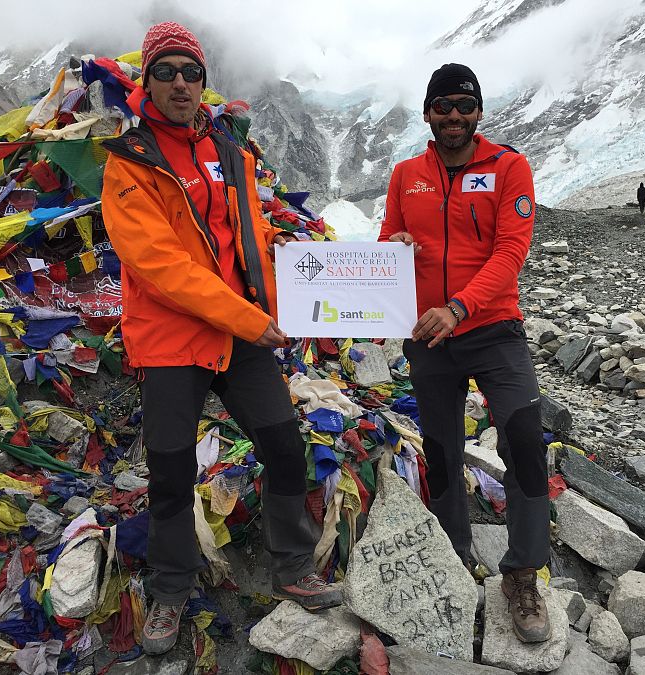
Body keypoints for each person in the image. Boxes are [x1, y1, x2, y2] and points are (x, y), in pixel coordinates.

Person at [101, 21, 340, 656]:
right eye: (167, 71)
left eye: (191, 72)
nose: (180, 83)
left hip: (242, 329)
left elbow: (247, 241)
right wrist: (250, 318)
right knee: (172, 469)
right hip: (173, 337)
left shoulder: (227, 149)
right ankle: (171, 589)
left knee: (285, 447)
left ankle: (293, 566)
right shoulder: (130, 162)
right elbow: (161, 268)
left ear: (205, 81)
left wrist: (304, 281)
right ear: (146, 80)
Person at [379, 63, 551, 643]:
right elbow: (387, 246)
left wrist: (458, 307)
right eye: (441, 106)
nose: (453, 116)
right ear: (427, 114)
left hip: (493, 327)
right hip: (429, 336)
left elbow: (510, 253)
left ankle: (522, 573)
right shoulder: (406, 175)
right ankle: (454, 550)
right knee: (441, 447)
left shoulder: (509, 167)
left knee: (525, 438)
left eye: (463, 105)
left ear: (478, 112)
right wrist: (396, 247)